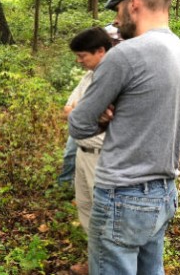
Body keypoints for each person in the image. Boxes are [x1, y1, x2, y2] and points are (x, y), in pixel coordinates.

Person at [68, 0, 180, 274]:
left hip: (123, 193)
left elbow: (78, 123)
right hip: (164, 192)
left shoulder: (125, 54)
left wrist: (102, 119)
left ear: (134, 2)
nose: (117, 21)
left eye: (118, 10)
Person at [66, 27, 113, 275]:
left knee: (104, 214)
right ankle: (96, 263)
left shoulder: (113, 77)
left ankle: (109, 267)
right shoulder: (88, 77)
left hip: (103, 157)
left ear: (100, 51)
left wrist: (80, 112)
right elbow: (69, 110)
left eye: (82, 55)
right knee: (85, 208)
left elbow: (82, 114)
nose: (79, 60)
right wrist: (82, 112)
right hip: (82, 153)